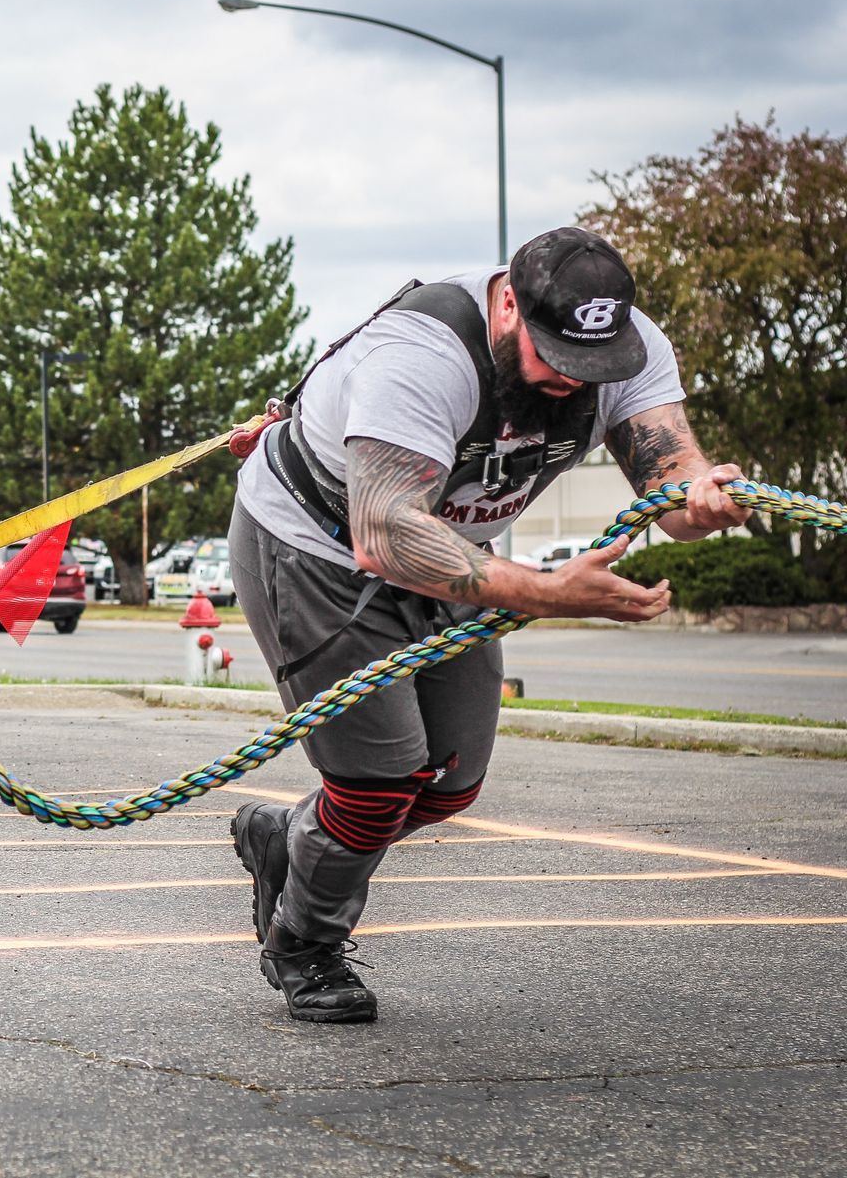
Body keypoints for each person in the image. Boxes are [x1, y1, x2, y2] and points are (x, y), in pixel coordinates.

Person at [226, 227, 752, 1023]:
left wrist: (704, 496)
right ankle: (303, 941)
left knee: (450, 778)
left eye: (593, 368)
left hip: (455, 547)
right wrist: (544, 591)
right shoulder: (422, 354)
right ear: (508, 303)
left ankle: (291, 839)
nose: (573, 383)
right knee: (377, 783)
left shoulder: (629, 346)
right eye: (555, 361)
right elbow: (386, 532)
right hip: (317, 545)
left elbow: (668, 476)